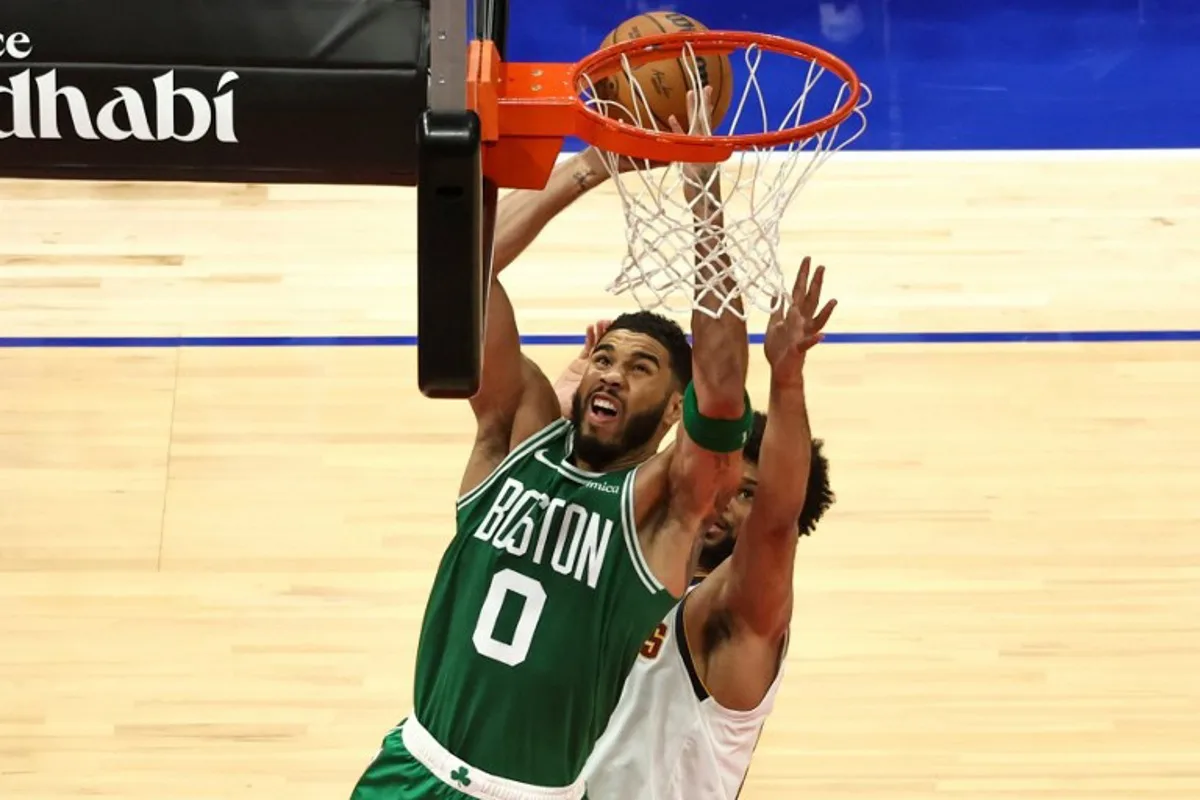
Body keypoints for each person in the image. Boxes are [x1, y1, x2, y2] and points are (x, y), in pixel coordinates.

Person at [351, 94, 753, 800]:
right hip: (411, 770)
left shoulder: (661, 505)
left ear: (670, 415)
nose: (614, 375)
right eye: (608, 358)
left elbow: (721, 385)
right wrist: (588, 167)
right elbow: (463, 271)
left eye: (641, 369)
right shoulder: (517, 432)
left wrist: (702, 188)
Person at [575, 258, 838, 799]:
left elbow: (776, 522)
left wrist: (787, 383)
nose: (725, 501)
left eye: (748, 494)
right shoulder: (633, 561)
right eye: (727, 481)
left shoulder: (734, 616)